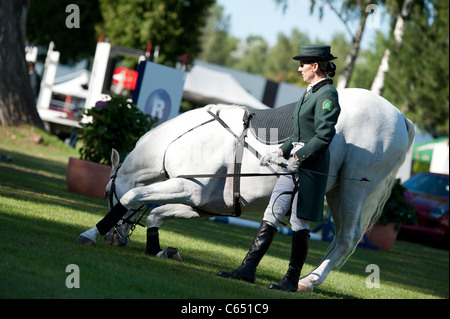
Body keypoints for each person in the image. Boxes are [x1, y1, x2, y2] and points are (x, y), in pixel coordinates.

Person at [218, 45, 341, 292]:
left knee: (299, 222)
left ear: (315, 66)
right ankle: (247, 268)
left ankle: (291, 280)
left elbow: (325, 135)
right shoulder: (310, 92)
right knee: (272, 212)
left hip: (309, 168)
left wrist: (300, 156)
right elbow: (298, 132)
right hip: (292, 164)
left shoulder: (327, 95)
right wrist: (281, 151)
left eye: (302, 65)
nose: (299, 69)